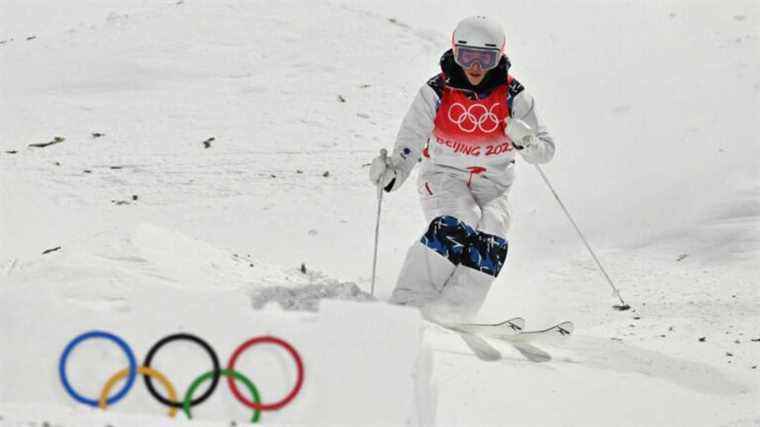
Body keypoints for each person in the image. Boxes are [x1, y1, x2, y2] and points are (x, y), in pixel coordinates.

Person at [369, 16, 555, 323]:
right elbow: (411, 139)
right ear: (455, 52)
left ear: (500, 57)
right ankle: (409, 300)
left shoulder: (514, 95)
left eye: (486, 58)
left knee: (493, 230)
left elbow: (545, 151)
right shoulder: (436, 91)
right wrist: (394, 171)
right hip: (444, 176)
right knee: (460, 220)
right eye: (467, 56)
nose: (476, 67)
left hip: (493, 184)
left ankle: (455, 309)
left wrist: (527, 141)